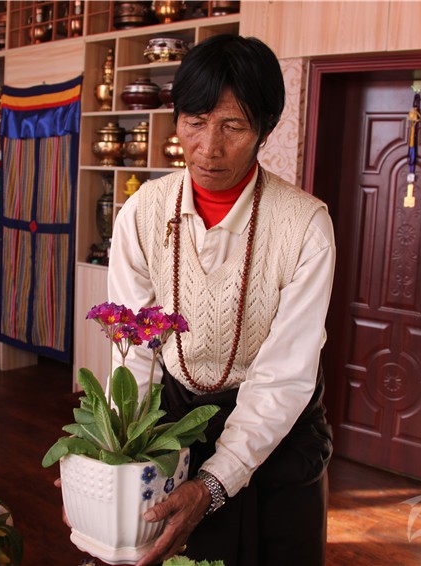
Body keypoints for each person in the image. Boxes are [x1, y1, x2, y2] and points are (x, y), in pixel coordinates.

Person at [108, 34, 336, 566]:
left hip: (278, 433)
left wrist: (215, 482)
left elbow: (284, 375)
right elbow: (135, 352)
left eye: (233, 127)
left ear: (265, 131)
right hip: (173, 416)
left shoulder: (305, 226)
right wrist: (114, 451)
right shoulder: (142, 212)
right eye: (195, 121)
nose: (209, 147)